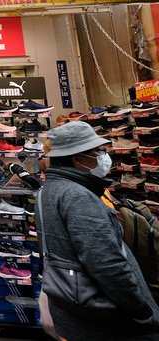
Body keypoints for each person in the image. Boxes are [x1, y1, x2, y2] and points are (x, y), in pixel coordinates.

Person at [36, 121, 159, 341]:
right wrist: (141, 312)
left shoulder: (49, 190)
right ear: (77, 158)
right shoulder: (77, 196)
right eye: (97, 151)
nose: (103, 155)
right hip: (109, 321)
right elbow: (107, 264)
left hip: (74, 311)